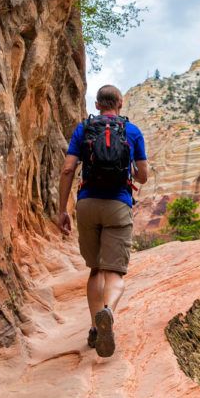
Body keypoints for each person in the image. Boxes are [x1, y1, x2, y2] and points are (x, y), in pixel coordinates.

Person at [57, 85, 148, 357]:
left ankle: (96, 326)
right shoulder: (132, 132)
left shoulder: (83, 129)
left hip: (87, 204)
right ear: (120, 103)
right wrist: (130, 167)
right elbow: (143, 176)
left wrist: (62, 209)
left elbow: (67, 169)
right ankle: (108, 311)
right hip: (118, 204)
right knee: (115, 272)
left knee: (96, 269)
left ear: (97, 105)